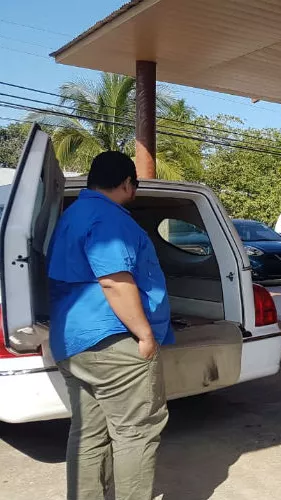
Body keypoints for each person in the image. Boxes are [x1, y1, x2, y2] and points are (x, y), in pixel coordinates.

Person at [47, 151, 172, 500]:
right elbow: (114, 281)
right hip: (112, 342)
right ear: (127, 183)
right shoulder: (109, 218)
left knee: (87, 434)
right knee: (135, 433)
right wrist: (145, 335)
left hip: (73, 342)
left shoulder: (72, 215)